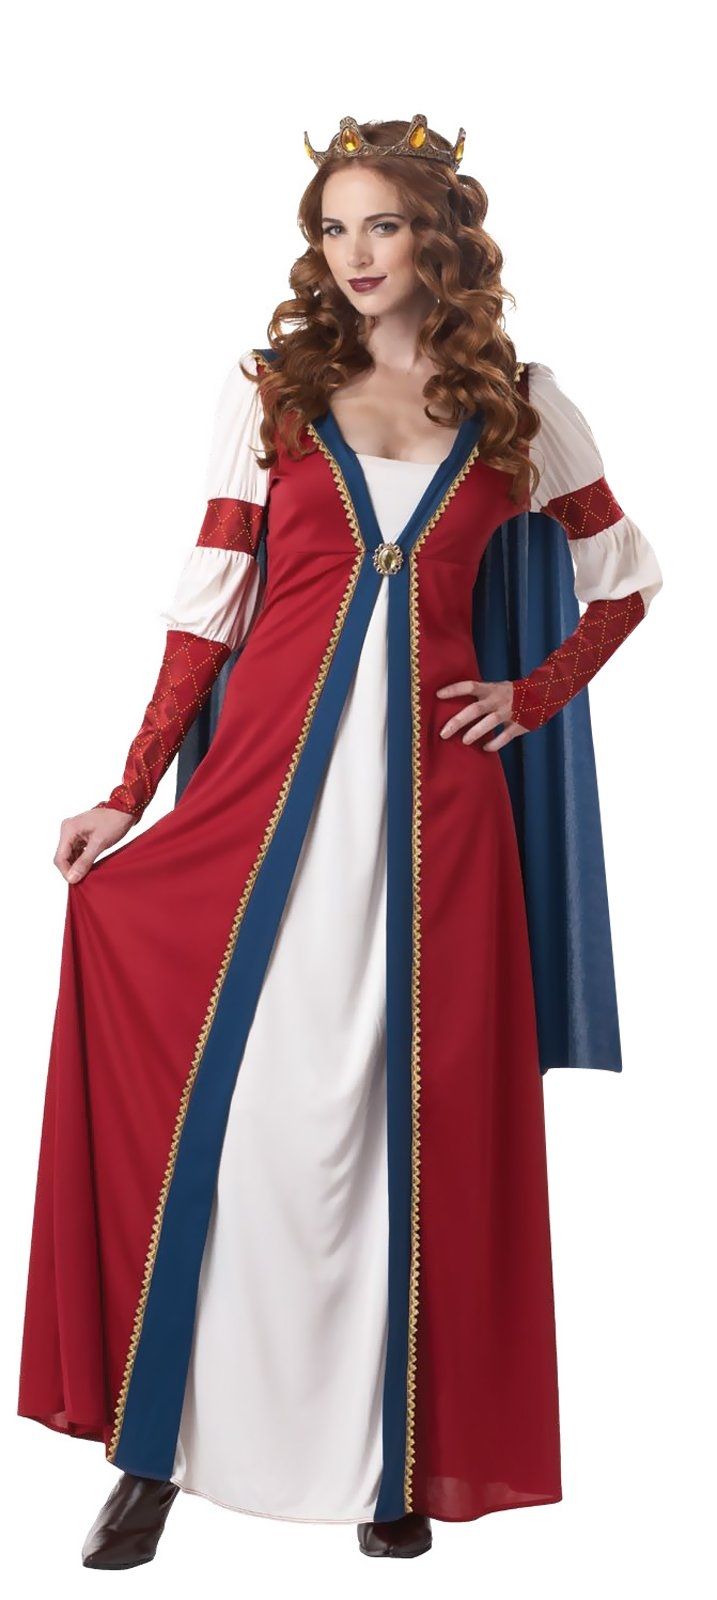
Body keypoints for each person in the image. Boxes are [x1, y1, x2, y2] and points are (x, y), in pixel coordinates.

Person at [17, 113, 663, 1567]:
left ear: (439, 237)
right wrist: (129, 791)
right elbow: (207, 611)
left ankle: (393, 1466)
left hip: (442, 825)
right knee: (239, 1117)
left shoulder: (519, 405)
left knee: (403, 1134)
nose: (354, 253)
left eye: (382, 223)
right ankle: (155, 1450)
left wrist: (533, 696)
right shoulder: (269, 396)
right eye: (332, 228)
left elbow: (625, 579)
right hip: (262, 811)